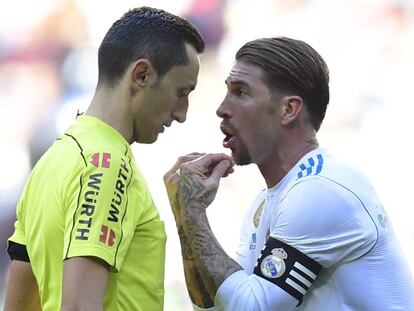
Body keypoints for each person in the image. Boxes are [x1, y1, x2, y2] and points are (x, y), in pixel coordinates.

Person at [164, 37, 414, 310]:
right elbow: (214, 304)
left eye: (240, 93)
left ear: (288, 109)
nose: (222, 109)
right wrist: (183, 212)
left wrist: (194, 213)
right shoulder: (266, 203)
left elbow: (250, 308)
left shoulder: (322, 189)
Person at [4, 6, 204, 311]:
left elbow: (19, 298)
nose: (182, 113)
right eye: (181, 91)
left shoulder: (55, 158)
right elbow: (79, 307)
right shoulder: (107, 164)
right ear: (141, 75)